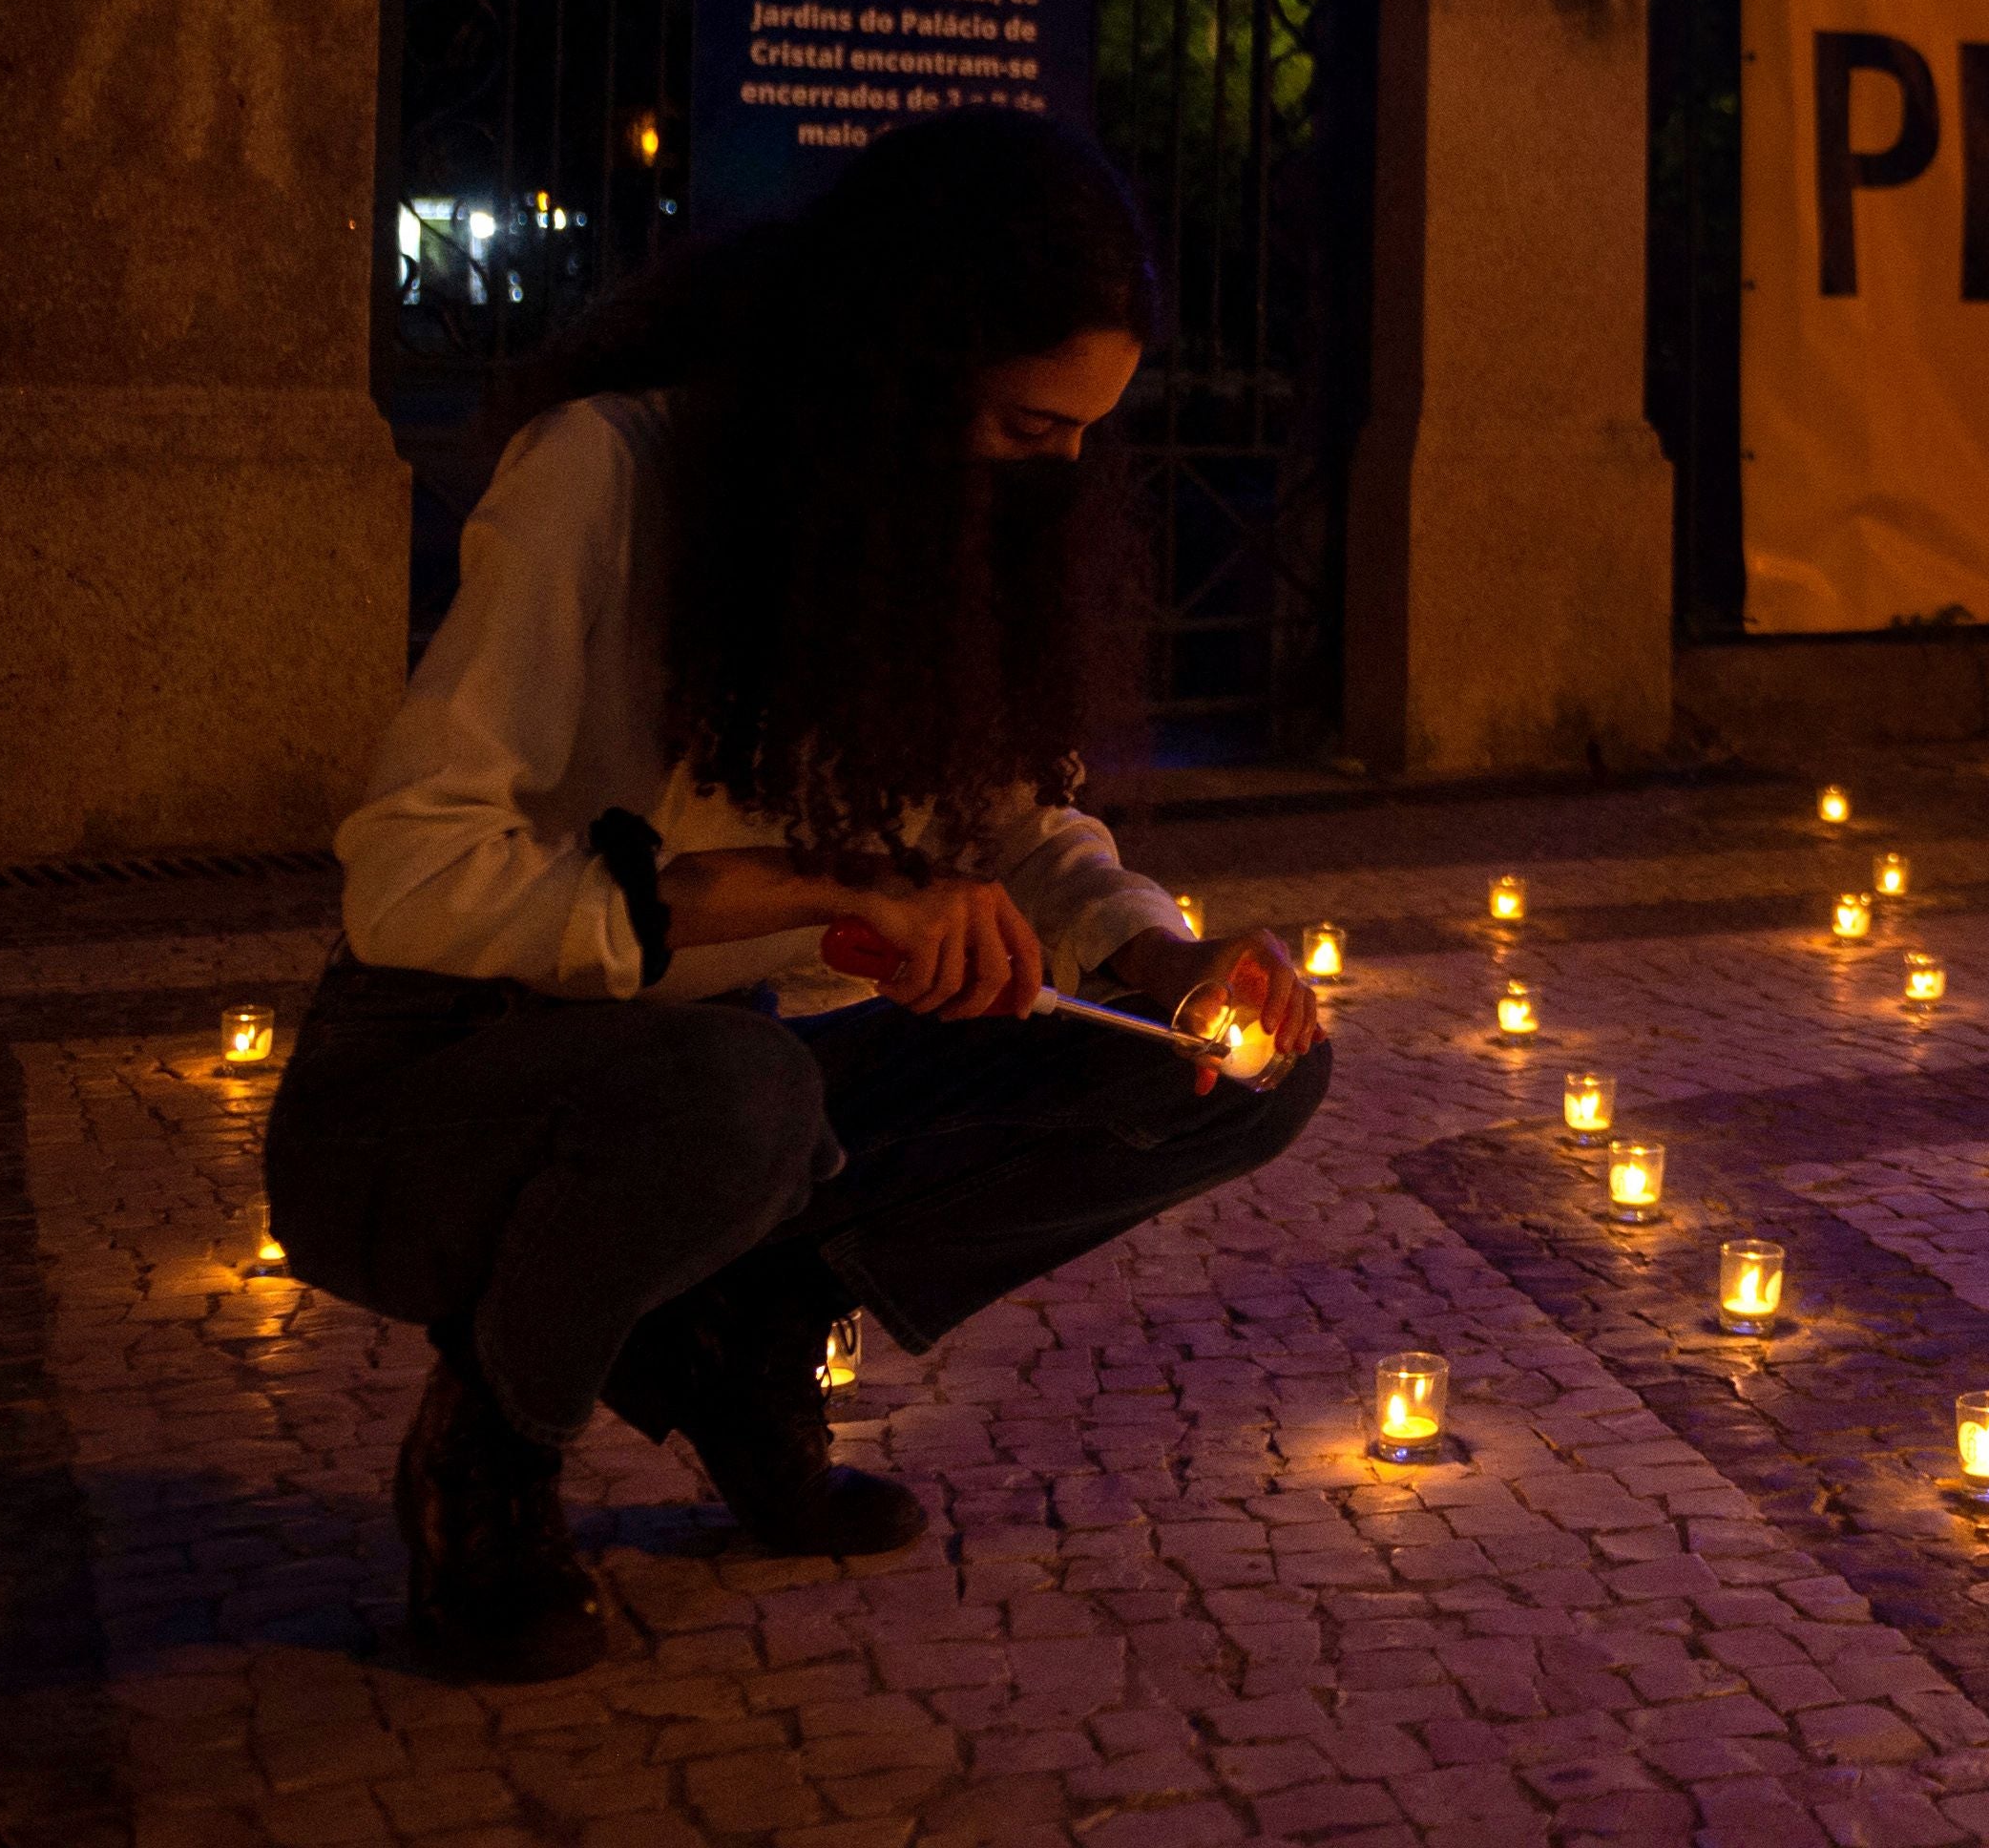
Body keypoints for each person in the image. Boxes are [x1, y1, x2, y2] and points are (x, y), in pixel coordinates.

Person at [264, 109, 1331, 1680]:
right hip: (446, 1080)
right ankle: (487, 1454)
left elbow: (1021, 829)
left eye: (1091, 431)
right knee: (741, 1091)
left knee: (1225, 1076)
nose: (1066, 473)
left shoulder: (932, 525)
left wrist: (1165, 962)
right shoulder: (610, 473)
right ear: (898, 370)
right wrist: (783, 887)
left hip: (736, 1061)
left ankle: (744, 1330)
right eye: (1032, 426)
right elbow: (410, 880)